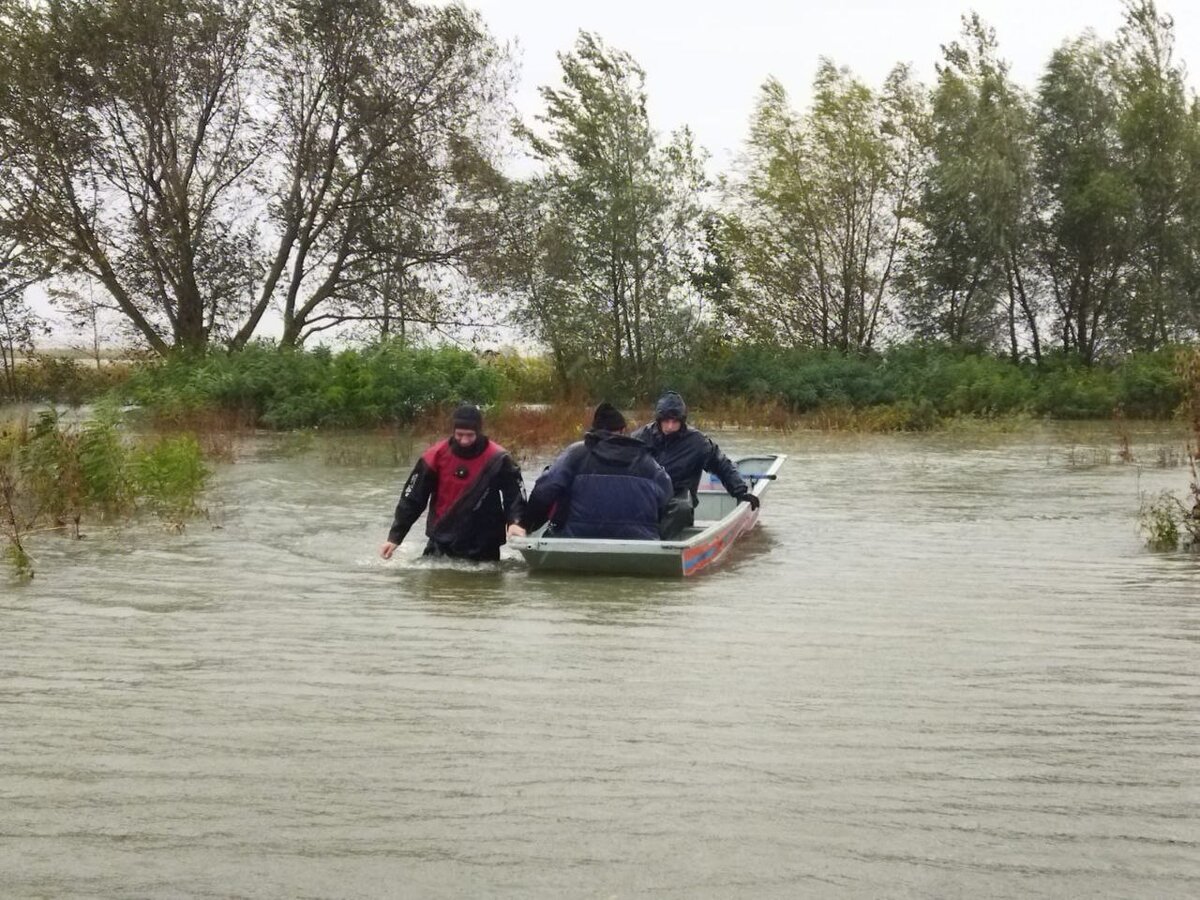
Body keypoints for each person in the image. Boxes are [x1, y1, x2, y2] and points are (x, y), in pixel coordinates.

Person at [380, 404, 525, 562]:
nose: (464, 440)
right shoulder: (434, 456)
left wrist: (515, 522)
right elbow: (412, 499)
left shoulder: (499, 458)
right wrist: (394, 538)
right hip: (442, 538)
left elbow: (515, 495)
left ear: (479, 431)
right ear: (453, 431)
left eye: (470, 435)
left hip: (484, 542)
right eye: (459, 434)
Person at [516, 402, 673, 540]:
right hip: (640, 539)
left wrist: (526, 525)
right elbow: (667, 498)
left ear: (594, 430)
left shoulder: (575, 454)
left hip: (576, 537)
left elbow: (545, 490)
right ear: (624, 430)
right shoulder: (646, 460)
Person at [631, 390, 758, 539]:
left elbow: (721, 464)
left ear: (682, 421)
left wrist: (740, 491)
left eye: (675, 421)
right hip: (647, 494)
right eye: (666, 421)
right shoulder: (639, 438)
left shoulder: (697, 442)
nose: (670, 426)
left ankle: (657, 545)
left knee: (682, 507)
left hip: (678, 496)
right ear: (659, 420)